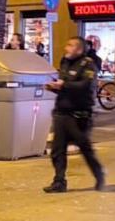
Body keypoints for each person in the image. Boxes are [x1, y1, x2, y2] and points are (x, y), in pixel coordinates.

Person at [44, 36, 106, 193]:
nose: (66, 48)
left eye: (70, 45)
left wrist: (64, 85)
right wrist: (54, 87)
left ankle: (98, 173)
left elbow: (85, 85)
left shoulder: (88, 64)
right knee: (58, 149)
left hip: (79, 114)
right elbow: (62, 83)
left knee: (84, 147)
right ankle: (59, 181)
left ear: (79, 49)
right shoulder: (64, 62)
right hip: (61, 112)